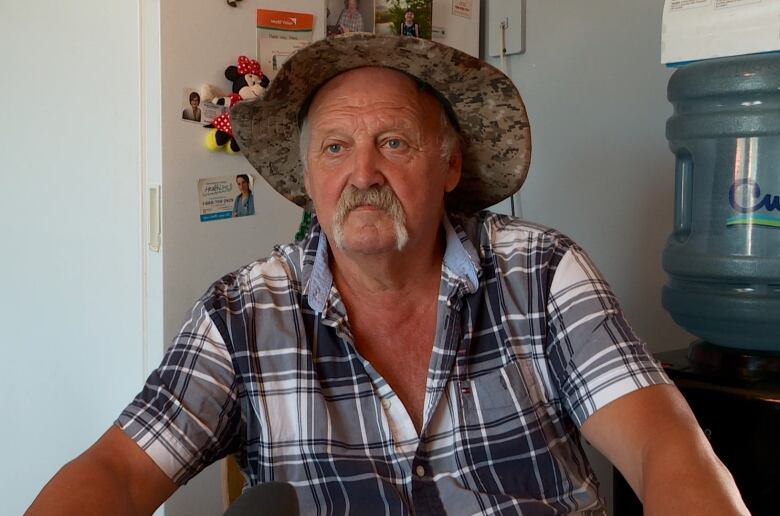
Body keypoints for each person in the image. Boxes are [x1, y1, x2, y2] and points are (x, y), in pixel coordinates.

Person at [27, 34, 749, 515]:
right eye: (335, 148)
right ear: (308, 179)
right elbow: (118, 474)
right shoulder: (241, 313)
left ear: (450, 166)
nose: (362, 173)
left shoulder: (542, 270)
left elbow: (666, 447)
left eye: (393, 142)